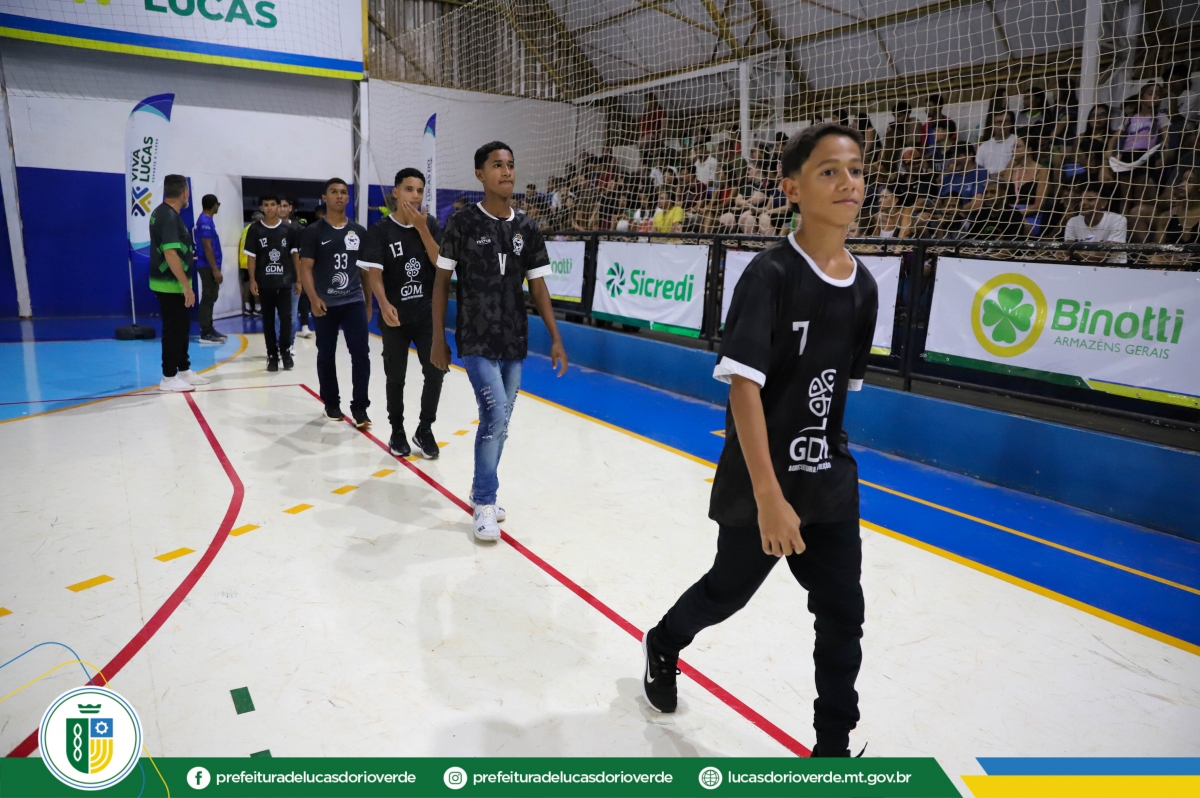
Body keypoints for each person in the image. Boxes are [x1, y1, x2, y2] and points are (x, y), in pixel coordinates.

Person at [640, 122, 878, 759]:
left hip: (828, 480)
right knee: (727, 592)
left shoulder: (864, 287)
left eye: (855, 170)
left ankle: (832, 750)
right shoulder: (770, 275)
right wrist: (771, 498)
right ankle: (664, 641)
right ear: (792, 189)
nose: (848, 182)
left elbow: (835, 393)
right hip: (761, 482)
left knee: (843, 614)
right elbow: (743, 391)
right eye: (829, 171)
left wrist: (824, 470)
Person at [430, 141, 569, 542]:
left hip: (514, 341)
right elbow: (441, 284)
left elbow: (538, 287)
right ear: (480, 174)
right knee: (494, 415)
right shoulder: (462, 223)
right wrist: (439, 338)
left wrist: (556, 338)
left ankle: (481, 488)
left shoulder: (528, 227)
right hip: (475, 339)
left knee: (501, 422)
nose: (506, 171)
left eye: (510, 164)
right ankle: (485, 501)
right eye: (497, 165)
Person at [361, 168, 446, 459]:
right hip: (395, 317)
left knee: (435, 371)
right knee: (395, 376)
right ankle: (397, 430)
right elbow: (374, 274)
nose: (415, 196)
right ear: (395, 192)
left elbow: (441, 263)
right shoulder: (380, 230)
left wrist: (422, 229)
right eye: (409, 189)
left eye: (420, 190)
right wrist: (383, 304)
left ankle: (425, 428)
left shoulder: (430, 224)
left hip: (426, 316)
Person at [298, 179, 372, 427]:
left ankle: (360, 408)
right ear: (325, 198)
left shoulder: (359, 231)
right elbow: (305, 268)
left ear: (348, 198)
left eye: (343, 192)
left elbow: (365, 271)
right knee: (326, 354)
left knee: (361, 354)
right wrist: (313, 298)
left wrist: (368, 303)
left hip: (353, 301)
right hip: (325, 303)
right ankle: (331, 403)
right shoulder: (313, 231)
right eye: (334, 192)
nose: (339, 196)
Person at [149, 174, 209, 392]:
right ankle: (168, 376)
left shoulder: (163, 213)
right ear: (185, 193)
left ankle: (183, 370)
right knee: (174, 330)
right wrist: (186, 285)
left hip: (172, 283)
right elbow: (170, 253)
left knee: (182, 327)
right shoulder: (169, 216)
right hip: (170, 284)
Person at [244, 194, 298, 371]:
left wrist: (298, 280)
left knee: (286, 318)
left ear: (278, 206)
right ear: (261, 207)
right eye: (266, 205)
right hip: (264, 282)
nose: (270, 208)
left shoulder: (289, 230)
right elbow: (251, 257)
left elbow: (295, 255)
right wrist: (252, 279)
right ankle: (272, 355)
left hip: (285, 281)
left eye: (273, 204)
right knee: (268, 320)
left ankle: (285, 351)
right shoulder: (255, 230)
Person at [1065, 183, 1128, 263]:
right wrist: (1063, 253)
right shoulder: (1073, 221)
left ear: (1103, 203)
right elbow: (1065, 249)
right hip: (1085, 268)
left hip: (1114, 268)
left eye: (1090, 200)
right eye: (1081, 200)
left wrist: (1072, 252)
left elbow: (1102, 256)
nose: (1083, 203)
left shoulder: (1118, 220)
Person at [194, 194, 227, 345]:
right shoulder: (205, 222)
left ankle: (210, 328)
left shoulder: (207, 220)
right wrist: (215, 269)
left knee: (212, 296)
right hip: (207, 266)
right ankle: (205, 331)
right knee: (208, 297)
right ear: (215, 205)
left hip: (210, 266)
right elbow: (207, 247)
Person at [278, 197, 305, 350]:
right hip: (273, 279)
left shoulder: (298, 230)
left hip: (293, 277)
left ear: (290, 208)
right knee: (276, 315)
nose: (282, 209)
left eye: (285, 206)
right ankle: (277, 345)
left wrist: (301, 279)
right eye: (279, 205)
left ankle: (289, 344)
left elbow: (302, 255)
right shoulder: (267, 229)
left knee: (292, 314)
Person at [975, 110, 1018, 176]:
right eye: (998, 122)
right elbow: (978, 169)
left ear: (1011, 124)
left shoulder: (1018, 142)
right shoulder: (984, 146)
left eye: (1006, 121)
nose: (1002, 125)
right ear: (993, 125)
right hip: (988, 181)